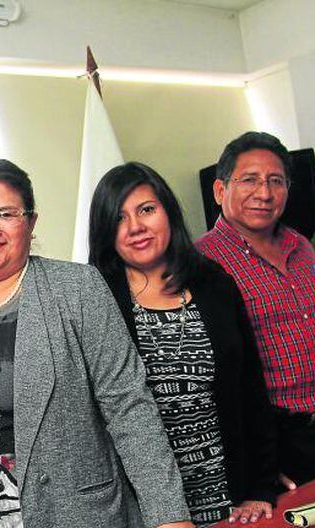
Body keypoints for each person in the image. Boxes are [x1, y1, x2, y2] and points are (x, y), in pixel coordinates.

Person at [0, 156, 193, 528]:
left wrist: (169, 516)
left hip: (75, 514)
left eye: (6, 214)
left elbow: (130, 409)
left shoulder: (78, 288)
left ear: (31, 221)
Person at [88, 162, 278, 526]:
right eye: (119, 218)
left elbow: (251, 390)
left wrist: (260, 487)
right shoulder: (96, 300)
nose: (135, 227)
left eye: (146, 209)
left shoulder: (213, 283)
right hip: (146, 510)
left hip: (228, 498)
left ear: (168, 212)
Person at [196, 132, 315, 487]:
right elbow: (207, 379)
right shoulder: (202, 264)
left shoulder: (301, 247)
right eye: (250, 180)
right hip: (268, 443)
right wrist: (252, 464)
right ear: (220, 190)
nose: (264, 193)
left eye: (276, 181)